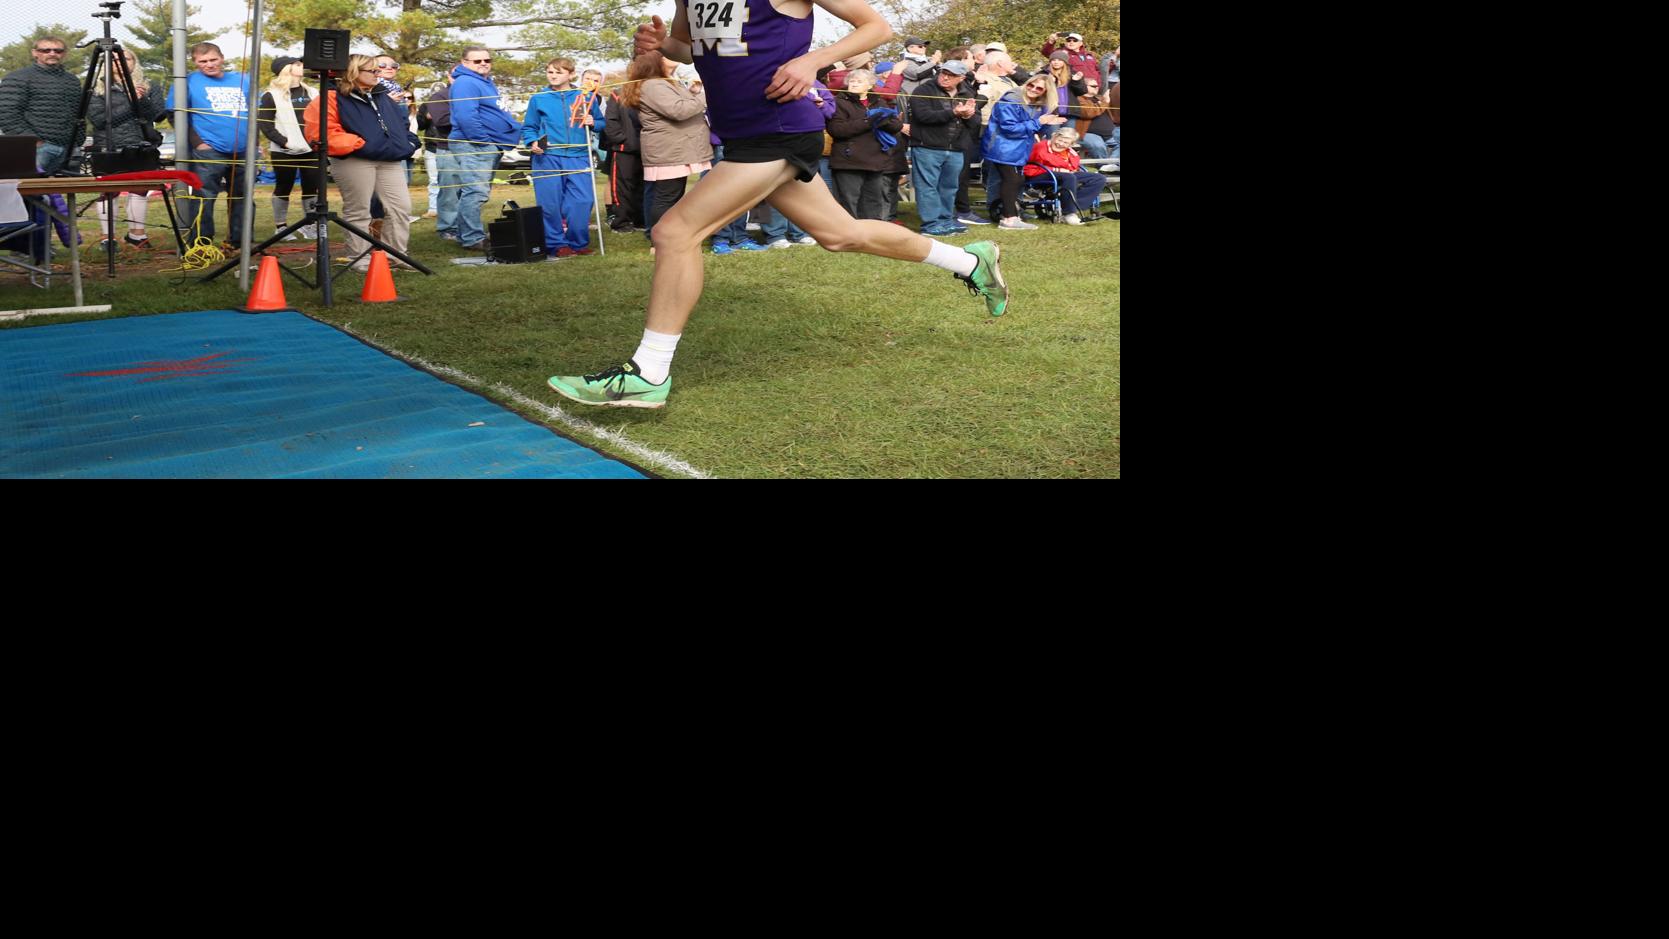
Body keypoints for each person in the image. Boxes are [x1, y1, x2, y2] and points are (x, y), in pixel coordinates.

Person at [545, 0, 1010, 410]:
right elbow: (700, 52)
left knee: (673, 232)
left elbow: (875, 27)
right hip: (744, 132)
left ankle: (647, 373)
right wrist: (664, 45)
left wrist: (813, 61)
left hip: (780, 128)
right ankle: (971, 260)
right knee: (840, 234)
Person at [304, 53, 421, 272]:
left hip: (388, 158)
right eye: (373, 71)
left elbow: (400, 123)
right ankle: (360, 259)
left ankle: (395, 256)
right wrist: (361, 145)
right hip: (354, 160)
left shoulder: (382, 96)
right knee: (359, 210)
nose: (379, 74)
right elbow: (322, 132)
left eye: (379, 70)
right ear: (353, 72)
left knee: (400, 207)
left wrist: (409, 143)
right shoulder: (329, 97)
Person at [521, 57, 606, 258]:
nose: (553, 76)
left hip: (579, 155)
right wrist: (532, 142)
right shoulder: (538, 98)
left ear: (571, 74)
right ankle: (556, 244)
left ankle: (578, 243)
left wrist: (593, 121)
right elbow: (529, 127)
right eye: (550, 72)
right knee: (550, 204)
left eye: (558, 72)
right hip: (548, 157)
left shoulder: (584, 96)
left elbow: (601, 124)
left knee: (582, 201)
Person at [166, 42, 251, 245]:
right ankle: (202, 243)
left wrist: (254, 143)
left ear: (221, 58)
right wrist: (198, 143)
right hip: (209, 150)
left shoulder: (242, 79)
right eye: (202, 61)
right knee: (204, 197)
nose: (209, 64)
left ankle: (240, 243)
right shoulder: (187, 81)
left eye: (213, 59)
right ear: (194, 62)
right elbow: (174, 115)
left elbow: (257, 113)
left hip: (243, 149)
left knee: (242, 197)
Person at [628, 51, 711, 243]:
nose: (673, 54)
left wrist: (693, 92)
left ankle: (668, 237)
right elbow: (679, 110)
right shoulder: (653, 85)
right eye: (666, 54)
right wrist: (706, 94)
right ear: (656, 61)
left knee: (672, 194)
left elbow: (681, 104)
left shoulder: (665, 81)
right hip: (669, 148)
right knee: (666, 196)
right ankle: (660, 242)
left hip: (676, 148)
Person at [88, 47, 168, 247]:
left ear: (134, 61)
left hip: (141, 144)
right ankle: (108, 238)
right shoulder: (97, 89)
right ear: (107, 64)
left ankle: (137, 235)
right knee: (108, 191)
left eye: (126, 59)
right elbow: (100, 120)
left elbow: (157, 115)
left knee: (140, 190)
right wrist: (132, 103)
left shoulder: (149, 85)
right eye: (114, 59)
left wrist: (143, 100)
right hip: (108, 145)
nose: (121, 63)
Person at [447, 46, 522, 250]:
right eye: (477, 61)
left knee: (475, 191)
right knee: (476, 192)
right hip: (474, 144)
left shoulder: (485, 83)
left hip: (486, 144)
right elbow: (466, 116)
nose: (483, 64)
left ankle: (466, 235)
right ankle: (472, 238)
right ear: (465, 63)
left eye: (486, 60)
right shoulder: (466, 82)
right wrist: (482, 141)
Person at [982, 73, 1066, 230]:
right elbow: (1009, 128)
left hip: (1018, 149)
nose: (1033, 89)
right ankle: (1009, 218)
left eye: (1039, 88)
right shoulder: (1011, 100)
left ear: (1045, 92)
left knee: (1017, 181)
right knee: (1011, 181)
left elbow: (1035, 128)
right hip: (1003, 147)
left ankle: (1008, 213)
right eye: (1031, 85)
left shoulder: (1038, 105)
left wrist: (1047, 123)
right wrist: (1038, 122)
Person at [908, 59, 976, 236]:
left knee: (950, 187)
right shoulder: (923, 90)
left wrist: (969, 115)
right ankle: (930, 225)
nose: (945, 77)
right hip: (927, 147)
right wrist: (953, 112)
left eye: (951, 75)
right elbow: (923, 116)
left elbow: (976, 123)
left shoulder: (967, 93)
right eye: (943, 73)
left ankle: (946, 221)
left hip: (955, 149)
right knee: (927, 187)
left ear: (961, 78)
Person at [259, 56, 322, 241]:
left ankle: (310, 225)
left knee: (311, 187)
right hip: (283, 151)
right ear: (286, 69)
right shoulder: (271, 94)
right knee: (283, 186)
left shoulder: (313, 92)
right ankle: (281, 227)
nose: (302, 67)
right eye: (297, 64)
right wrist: (284, 142)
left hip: (311, 149)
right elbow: (265, 124)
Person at [0, 36, 84, 175]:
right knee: (32, 192)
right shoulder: (18, 77)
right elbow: (7, 113)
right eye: (46, 50)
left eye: (58, 50)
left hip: (69, 147)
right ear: (35, 53)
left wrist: (77, 140)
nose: (52, 53)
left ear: (64, 54)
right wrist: (32, 141)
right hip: (38, 148)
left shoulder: (72, 80)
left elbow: (78, 112)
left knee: (68, 190)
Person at [827, 68, 899, 220]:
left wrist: (883, 120)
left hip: (875, 160)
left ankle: (872, 233)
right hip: (848, 161)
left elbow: (896, 126)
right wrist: (868, 121)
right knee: (848, 202)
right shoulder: (839, 102)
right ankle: (848, 235)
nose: (854, 84)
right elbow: (837, 130)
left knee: (873, 201)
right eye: (852, 81)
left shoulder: (879, 101)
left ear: (870, 85)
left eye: (859, 81)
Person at [1024, 128, 1105, 225]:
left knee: (1098, 178)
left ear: (1071, 144)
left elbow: (1073, 167)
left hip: (1065, 175)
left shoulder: (1070, 152)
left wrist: (1067, 170)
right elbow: (1028, 165)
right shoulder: (1040, 147)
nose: (1061, 144)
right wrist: (1057, 170)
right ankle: (1069, 214)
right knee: (1069, 177)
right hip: (1038, 174)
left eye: (1066, 142)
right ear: (1054, 137)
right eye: (1059, 140)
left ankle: (1071, 205)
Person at [600, 77, 645, 232]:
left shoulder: (652, 92)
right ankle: (621, 222)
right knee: (622, 187)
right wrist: (622, 139)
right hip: (623, 149)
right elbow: (610, 120)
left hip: (647, 148)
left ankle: (640, 220)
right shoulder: (618, 93)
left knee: (643, 185)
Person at [416, 79, 450, 219]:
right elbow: (420, 125)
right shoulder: (425, 106)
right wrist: (426, 118)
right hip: (432, 147)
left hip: (449, 147)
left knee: (450, 180)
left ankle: (450, 208)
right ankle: (433, 208)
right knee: (434, 179)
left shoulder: (451, 104)